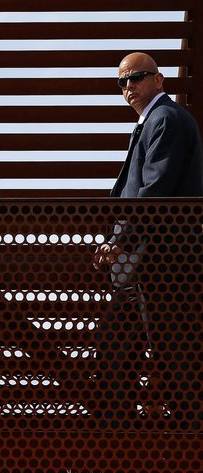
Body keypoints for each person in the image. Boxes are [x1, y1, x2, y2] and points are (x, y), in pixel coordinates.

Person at [90, 53, 203, 428]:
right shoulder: (152, 121)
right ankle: (115, 435)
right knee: (116, 346)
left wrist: (119, 238)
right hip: (141, 264)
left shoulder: (165, 119)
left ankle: (190, 435)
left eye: (137, 77)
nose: (128, 87)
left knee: (172, 352)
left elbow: (155, 189)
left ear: (159, 80)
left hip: (161, 261)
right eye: (121, 82)